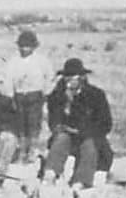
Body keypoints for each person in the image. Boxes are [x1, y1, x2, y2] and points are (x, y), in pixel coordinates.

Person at [42, 58, 113, 188]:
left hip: (89, 134)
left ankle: (80, 182)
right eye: (67, 76)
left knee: (89, 146)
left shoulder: (96, 95)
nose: (70, 80)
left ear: (82, 77)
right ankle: (50, 174)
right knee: (60, 139)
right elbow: (53, 120)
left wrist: (84, 131)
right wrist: (66, 104)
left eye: (74, 76)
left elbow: (105, 123)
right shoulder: (57, 96)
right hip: (67, 135)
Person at [1, 30, 52, 164]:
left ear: (34, 47)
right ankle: (22, 151)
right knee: (21, 124)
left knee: (33, 124)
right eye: (22, 46)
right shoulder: (14, 61)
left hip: (35, 95)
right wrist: (10, 96)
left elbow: (48, 77)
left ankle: (32, 151)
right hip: (19, 96)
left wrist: (46, 94)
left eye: (28, 46)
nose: (25, 49)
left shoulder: (41, 61)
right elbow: (8, 79)